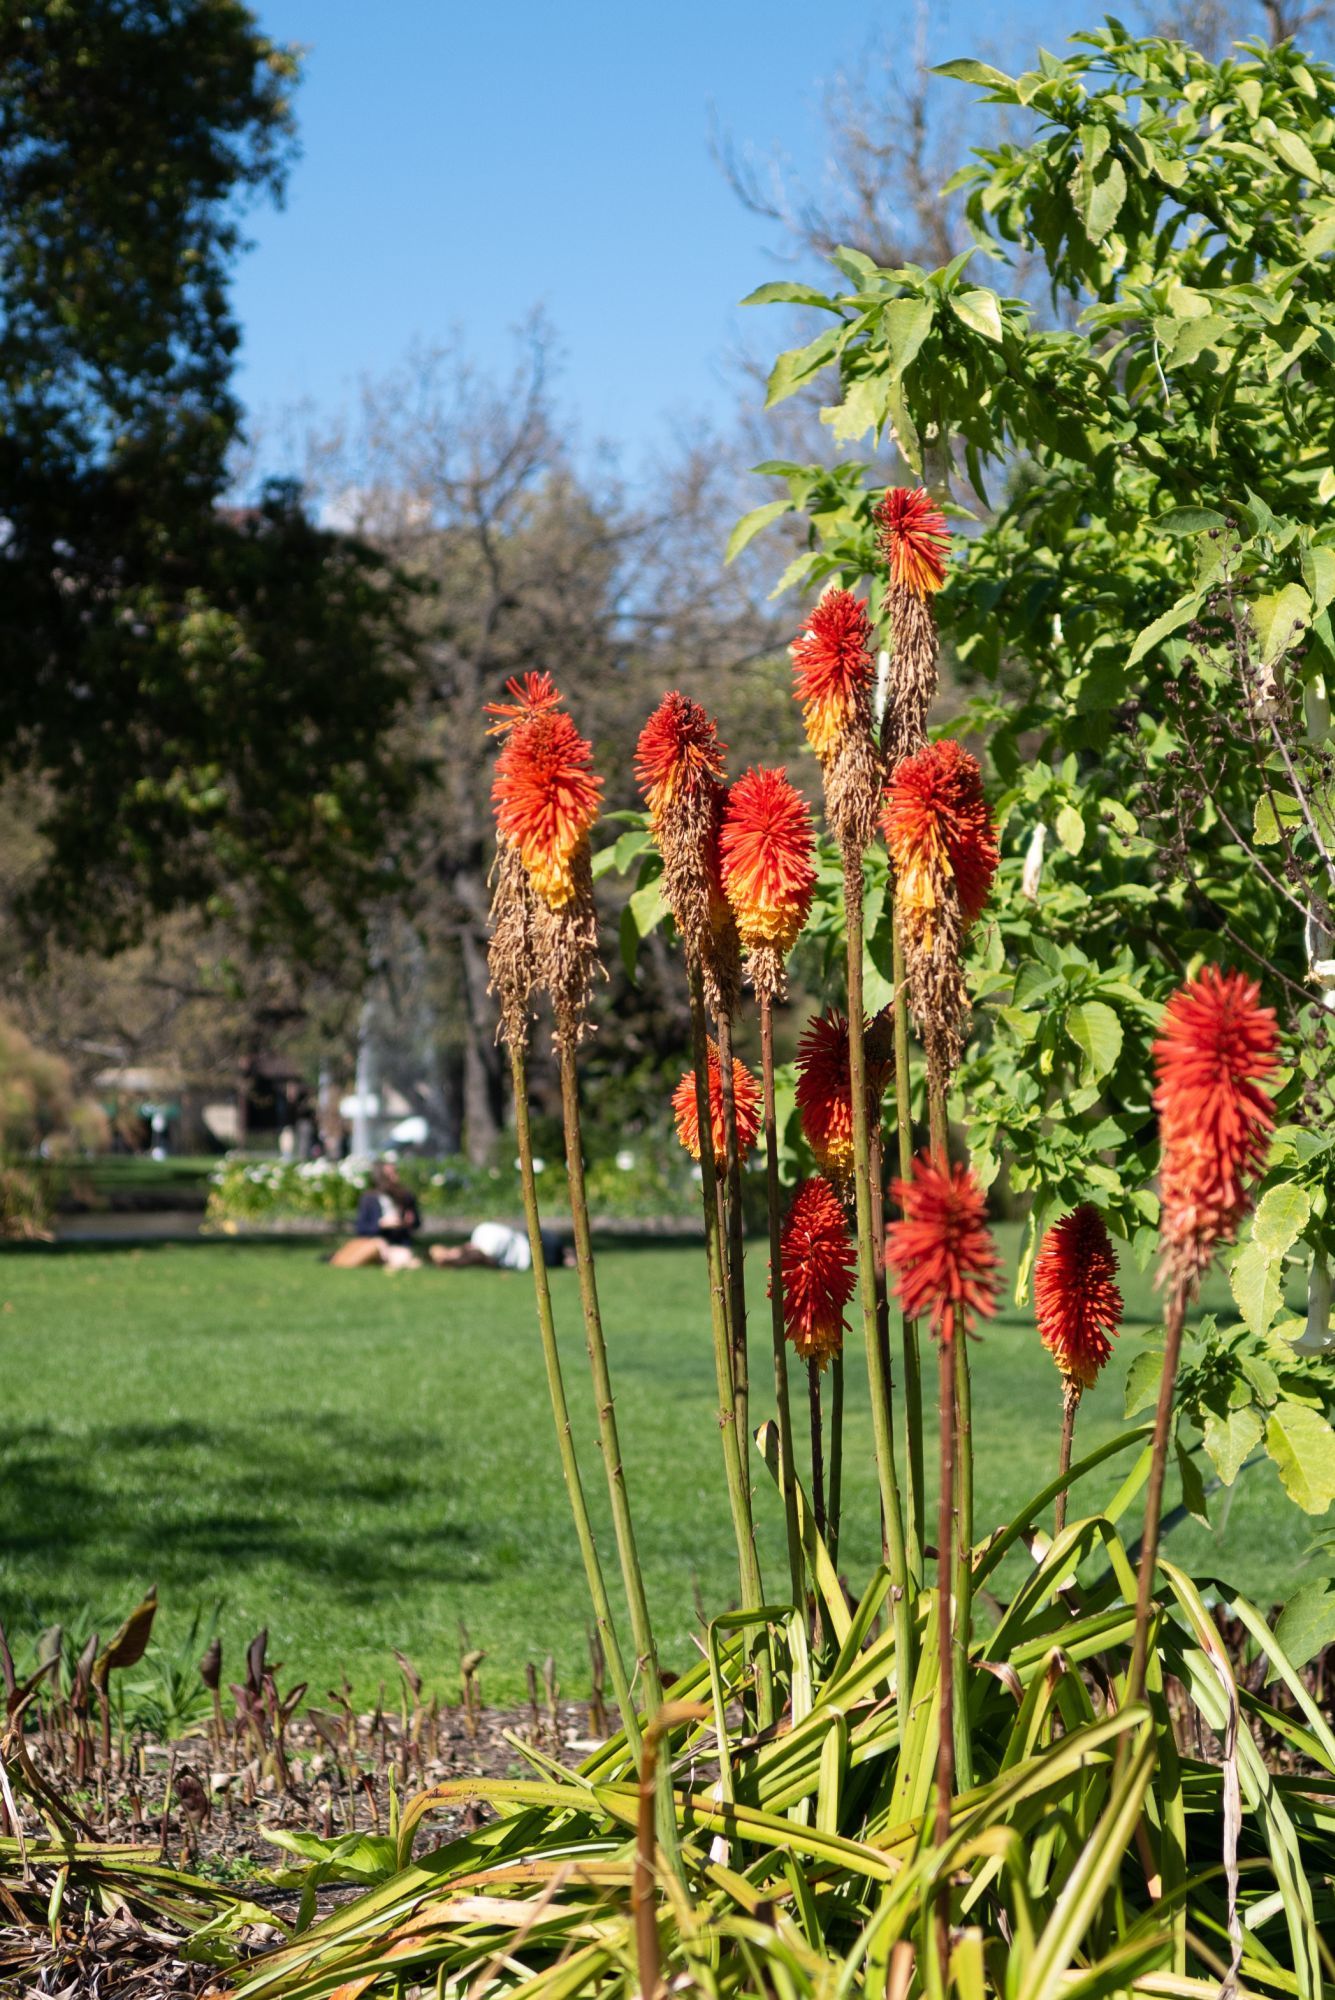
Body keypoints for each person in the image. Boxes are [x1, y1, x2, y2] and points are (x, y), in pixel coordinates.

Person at [330, 1163, 422, 1270]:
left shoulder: (406, 1197)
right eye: (390, 1174)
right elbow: (361, 1229)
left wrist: (409, 1222)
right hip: (375, 1242)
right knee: (378, 1246)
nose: (396, 1177)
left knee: (404, 1255)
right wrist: (381, 1224)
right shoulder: (369, 1199)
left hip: (397, 1243)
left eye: (396, 1172)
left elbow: (416, 1224)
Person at [429, 1222, 570, 1271]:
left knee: (564, 1254)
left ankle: (569, 1255)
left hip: (536, 1244)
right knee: (564, 1256)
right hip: (534, 1251)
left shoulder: (482, 1236)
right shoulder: (482, 1232)